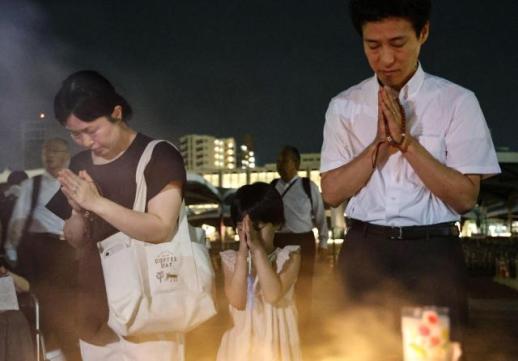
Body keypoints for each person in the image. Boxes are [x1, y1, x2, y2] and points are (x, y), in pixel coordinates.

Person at [320, 0, 500, 356]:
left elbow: (465, 197)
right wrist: (380, 146)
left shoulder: (456, 102)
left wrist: (406, 143)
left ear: (424, 33)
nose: (386, 59)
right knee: (358, 350)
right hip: (364, 251)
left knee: (428, 354)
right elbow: (331, 192)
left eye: (398, 43)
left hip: (430, 255)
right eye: (373, 46)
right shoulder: (344, 106)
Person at [46, 70, 187, 361]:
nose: (84, 141)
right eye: (75, 133)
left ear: (117, 112)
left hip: (149, 314)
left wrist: (96, 203)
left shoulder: (158, 155)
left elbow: (161, 228)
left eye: (92, 129)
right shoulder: (80, 162)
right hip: (94, 315)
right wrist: (77, 210)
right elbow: (74, 239)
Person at [4, 138, 76, 360]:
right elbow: (18, 222)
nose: (49, 155)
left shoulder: (77, 182)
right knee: (46, 308)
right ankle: (51, 352)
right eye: (46, 151)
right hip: (42, 256)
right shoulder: (31, 186)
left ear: (67, 155)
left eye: (54, 151)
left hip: (70, 253)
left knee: (70, 308)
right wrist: (12, 253)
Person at [217, 182, 302, 361]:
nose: (250, 235)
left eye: (257, 227)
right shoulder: (232, 260)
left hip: (278, 346)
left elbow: (272, 294)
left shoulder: (288, 257)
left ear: (277, 224)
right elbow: (237, 301)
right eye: (242, 228)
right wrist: (242, 254)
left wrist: (257, 251)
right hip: (241, 348)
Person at [272, 145, 328, 331]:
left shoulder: (308, 186)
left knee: (304, 282)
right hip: (278, 240)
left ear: (296, 163)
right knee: (278, 282)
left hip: (303, 240)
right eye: (279, 160)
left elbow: (320, 216)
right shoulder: (273, 187)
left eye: (284, 160)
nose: (280, 164)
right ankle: (281, 321)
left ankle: (303, 322)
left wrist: (324, 243)